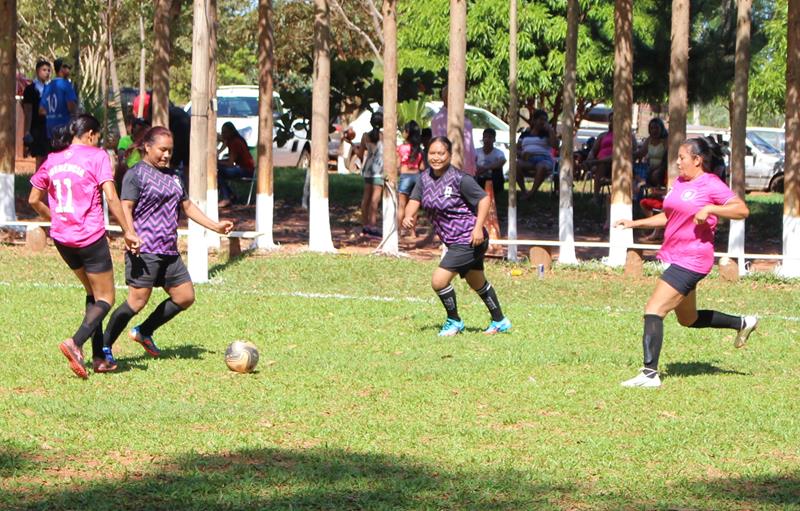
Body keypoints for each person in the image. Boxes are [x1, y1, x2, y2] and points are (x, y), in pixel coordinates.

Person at [615, 137, 758, 388]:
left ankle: (649, 374)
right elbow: (670, 217)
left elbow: (741, 210)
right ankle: (742, 323)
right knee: (688, 319)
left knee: (653, 309)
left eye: (682, 158)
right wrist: (633, 224)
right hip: (678, 256)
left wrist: (712, 209)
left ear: (697, 160)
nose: (678, 162)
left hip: (693, 259)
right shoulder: (680, 183)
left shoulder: (710, 184)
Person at [100, 127, 234, 367]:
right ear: (148, 147)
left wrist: (215, 226)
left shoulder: (173, 176)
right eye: (162, 150)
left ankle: (144, 331)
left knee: (185, 296)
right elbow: (125, 207)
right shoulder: (136, 174)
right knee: (136, 302)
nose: (166, 155)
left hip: (169, 251)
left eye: (170, 151)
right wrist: (129, 234)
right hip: (144, 250)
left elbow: (188, 206)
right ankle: (104, 345)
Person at [27, 115, 141, 378]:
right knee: (106, 298)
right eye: (98, 136)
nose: (98, 141)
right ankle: (75, 342)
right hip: (89, 238)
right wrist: (128, 231)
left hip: (63, 240)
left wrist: (54, 218)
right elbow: (111, 196)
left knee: (92, 292)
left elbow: (34, 198)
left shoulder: (53, 159)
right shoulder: (96, 155)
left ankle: (99, 358)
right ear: (90, 134)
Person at [402, 136, 511, 336]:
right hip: (455, 242)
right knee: (476, 281)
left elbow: (484, 200)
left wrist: (478, 228)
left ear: (450, 155)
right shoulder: (424, 178)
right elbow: (414, 200)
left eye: (441, 153)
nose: (436, 157)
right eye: (432, 153)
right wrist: (409, 216)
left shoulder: (460, 179)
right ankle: (500, 320)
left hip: (469, 239)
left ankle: (454, 321)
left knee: (439, 281)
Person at [431, 85, 477, 176]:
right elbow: (440, 145)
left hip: (467, 167)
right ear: (445, 98)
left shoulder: (462, 117)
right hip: (450, 169)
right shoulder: (439, 120)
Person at [516, 110, 556, 199]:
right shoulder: (524, 134)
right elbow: (516, 149)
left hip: (544, 159)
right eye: (541, 119)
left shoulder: (547, 134)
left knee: (541, 166)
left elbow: (555, 145)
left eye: (545, 120)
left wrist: (550, 130)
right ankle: (524, 191)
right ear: (534, 120)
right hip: (528, 159)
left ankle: (532, 193)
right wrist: (522, 154)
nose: (543, 122)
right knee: (515, 164)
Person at [357, 111, 384, 237]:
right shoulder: (384, 137)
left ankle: (364, 225)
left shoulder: (365, 136)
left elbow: (360, 154)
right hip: (380, 170)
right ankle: (372, 226)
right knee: (375, 200)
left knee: (366, 198)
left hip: (368, 170)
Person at [21, 60, 51, 169]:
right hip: (37, 127)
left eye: (48, 70)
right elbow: (28, 111)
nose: (47, 72)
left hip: (50, 127)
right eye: (44, 70)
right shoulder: (30, 90)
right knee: (40, 157)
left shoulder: (51, 89)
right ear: (37, 71)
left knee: (49, 157)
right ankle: (37, 183)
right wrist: (27, 131)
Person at [217, 122, 255, 208]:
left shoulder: (235, 142)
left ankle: (227, 197)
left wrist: (218, 162)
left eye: (225, 132)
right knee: (219, 170)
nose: (223, 134)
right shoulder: (233, 141)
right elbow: (231, 160)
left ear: (231, 132)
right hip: (242, 168)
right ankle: (230, 195)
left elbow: (230, 163)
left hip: (246, 171)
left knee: (219, 172)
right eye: (222, 132)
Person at [39, 58, 78, 141]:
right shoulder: (66, 85)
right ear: (61, 69)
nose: (69, 70)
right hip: (63, 127)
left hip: (50, 127)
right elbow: (71, 107)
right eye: (67, 67)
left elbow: (41, 110)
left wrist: (53, 114)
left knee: (52, 152)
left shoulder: (47, 86)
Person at [397, 120, 425, 235]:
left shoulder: (401, 148)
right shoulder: (419, 149)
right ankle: (412, 232)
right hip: (417, 176)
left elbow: (397, 164)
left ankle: (398, 231)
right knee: (414, 205)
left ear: (407, 132)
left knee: (401, 205)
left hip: (405, 176)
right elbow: (422, 166)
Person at [634, 118, 668, 189]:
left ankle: (652, 193)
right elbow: (641, 153)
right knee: (630, 170)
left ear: (661, 128)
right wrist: (630, 156)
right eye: (652, 128)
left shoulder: (666, 140)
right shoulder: (649, 140)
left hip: (662, 169)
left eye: (656, 128)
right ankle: (638, 193)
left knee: (654, 175)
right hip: (649, 168)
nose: (654, 130)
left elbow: (666, 159)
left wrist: (659, 169)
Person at [476, 128, 507, 200]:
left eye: (490, 137)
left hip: (492, 177)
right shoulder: (476, 151)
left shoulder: (498, 152)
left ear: (494, 139)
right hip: (478, 176)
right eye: (485, 137)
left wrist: (486, 168)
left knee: (497, 171)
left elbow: (502, 160)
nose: (487, 140)